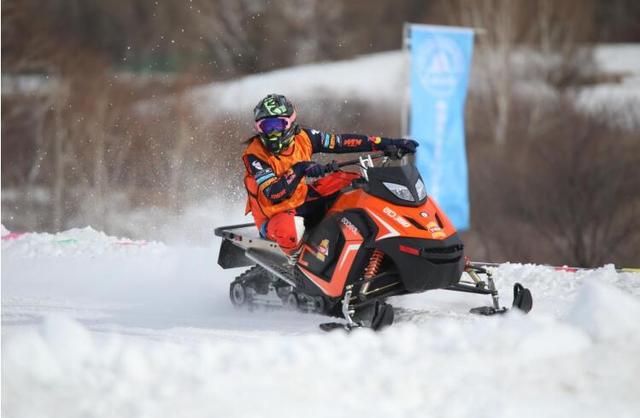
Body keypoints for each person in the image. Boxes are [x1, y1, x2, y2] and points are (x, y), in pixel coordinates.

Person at [242, 93, 418, 259]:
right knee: (290, 230)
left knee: (354, 182)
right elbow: (274, 193)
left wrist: (389, 143)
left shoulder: (305, 138)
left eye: (278, 125)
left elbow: (342, 143)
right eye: (266, 127)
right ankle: (295, 264)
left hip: (302, 199)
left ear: (291, 123)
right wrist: (301, 168)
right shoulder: (255, 155)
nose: (272, 133)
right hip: (274, 216)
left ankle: (357, 237)